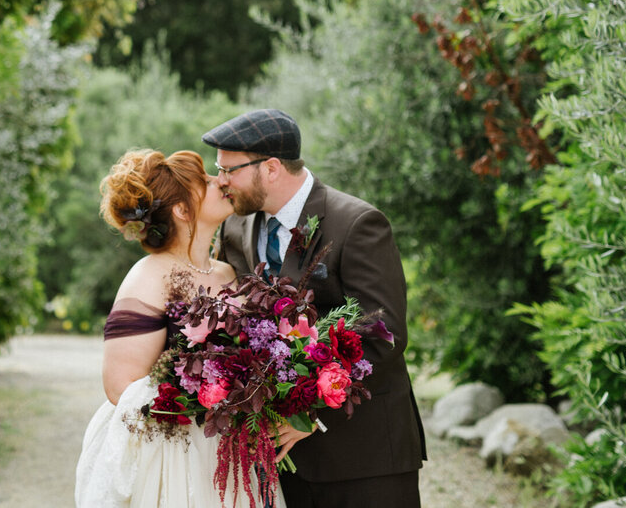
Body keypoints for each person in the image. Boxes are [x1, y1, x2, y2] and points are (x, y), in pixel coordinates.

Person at [203, 109, 427, 508]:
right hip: (274, 465)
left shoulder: (358, 223)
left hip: (363, 456)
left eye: (228, 170)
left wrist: (309, 413)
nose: (220, 181)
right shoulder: (235, 228)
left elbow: (383, 334)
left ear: (270, 168)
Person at [75, 148, 286, 508]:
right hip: (176, 455)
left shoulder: (227, 272)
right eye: (205, 180)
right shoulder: (148, 276)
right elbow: (120, 387)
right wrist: (204, 391)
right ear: (182, 210)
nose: (221, 180)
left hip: (233, 448)